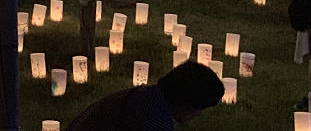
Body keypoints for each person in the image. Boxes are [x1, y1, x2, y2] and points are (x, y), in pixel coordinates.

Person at [66, 60, 223, 130]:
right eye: (199, 107)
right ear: (185, 101)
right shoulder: (153, 116)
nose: (199, 114)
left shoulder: (147, 96)